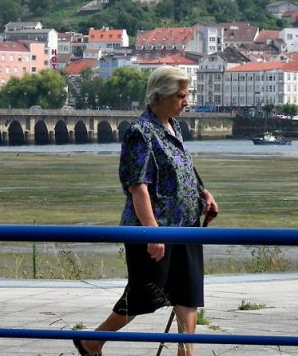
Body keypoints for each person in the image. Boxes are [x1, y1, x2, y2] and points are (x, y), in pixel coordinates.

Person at [74, 66, 219, 356]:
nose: (186, 102)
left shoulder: (173, 126)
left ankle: (186, 353)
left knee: (187, 292)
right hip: (156, 229)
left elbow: (182, 170)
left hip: (185, 226)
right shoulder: (140, 132)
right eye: (180, 96)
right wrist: (152, 231)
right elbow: (137, 186)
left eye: (185, 95)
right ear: (160, 96)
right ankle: (93, 340)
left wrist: (203, 193)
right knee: (144, 295)